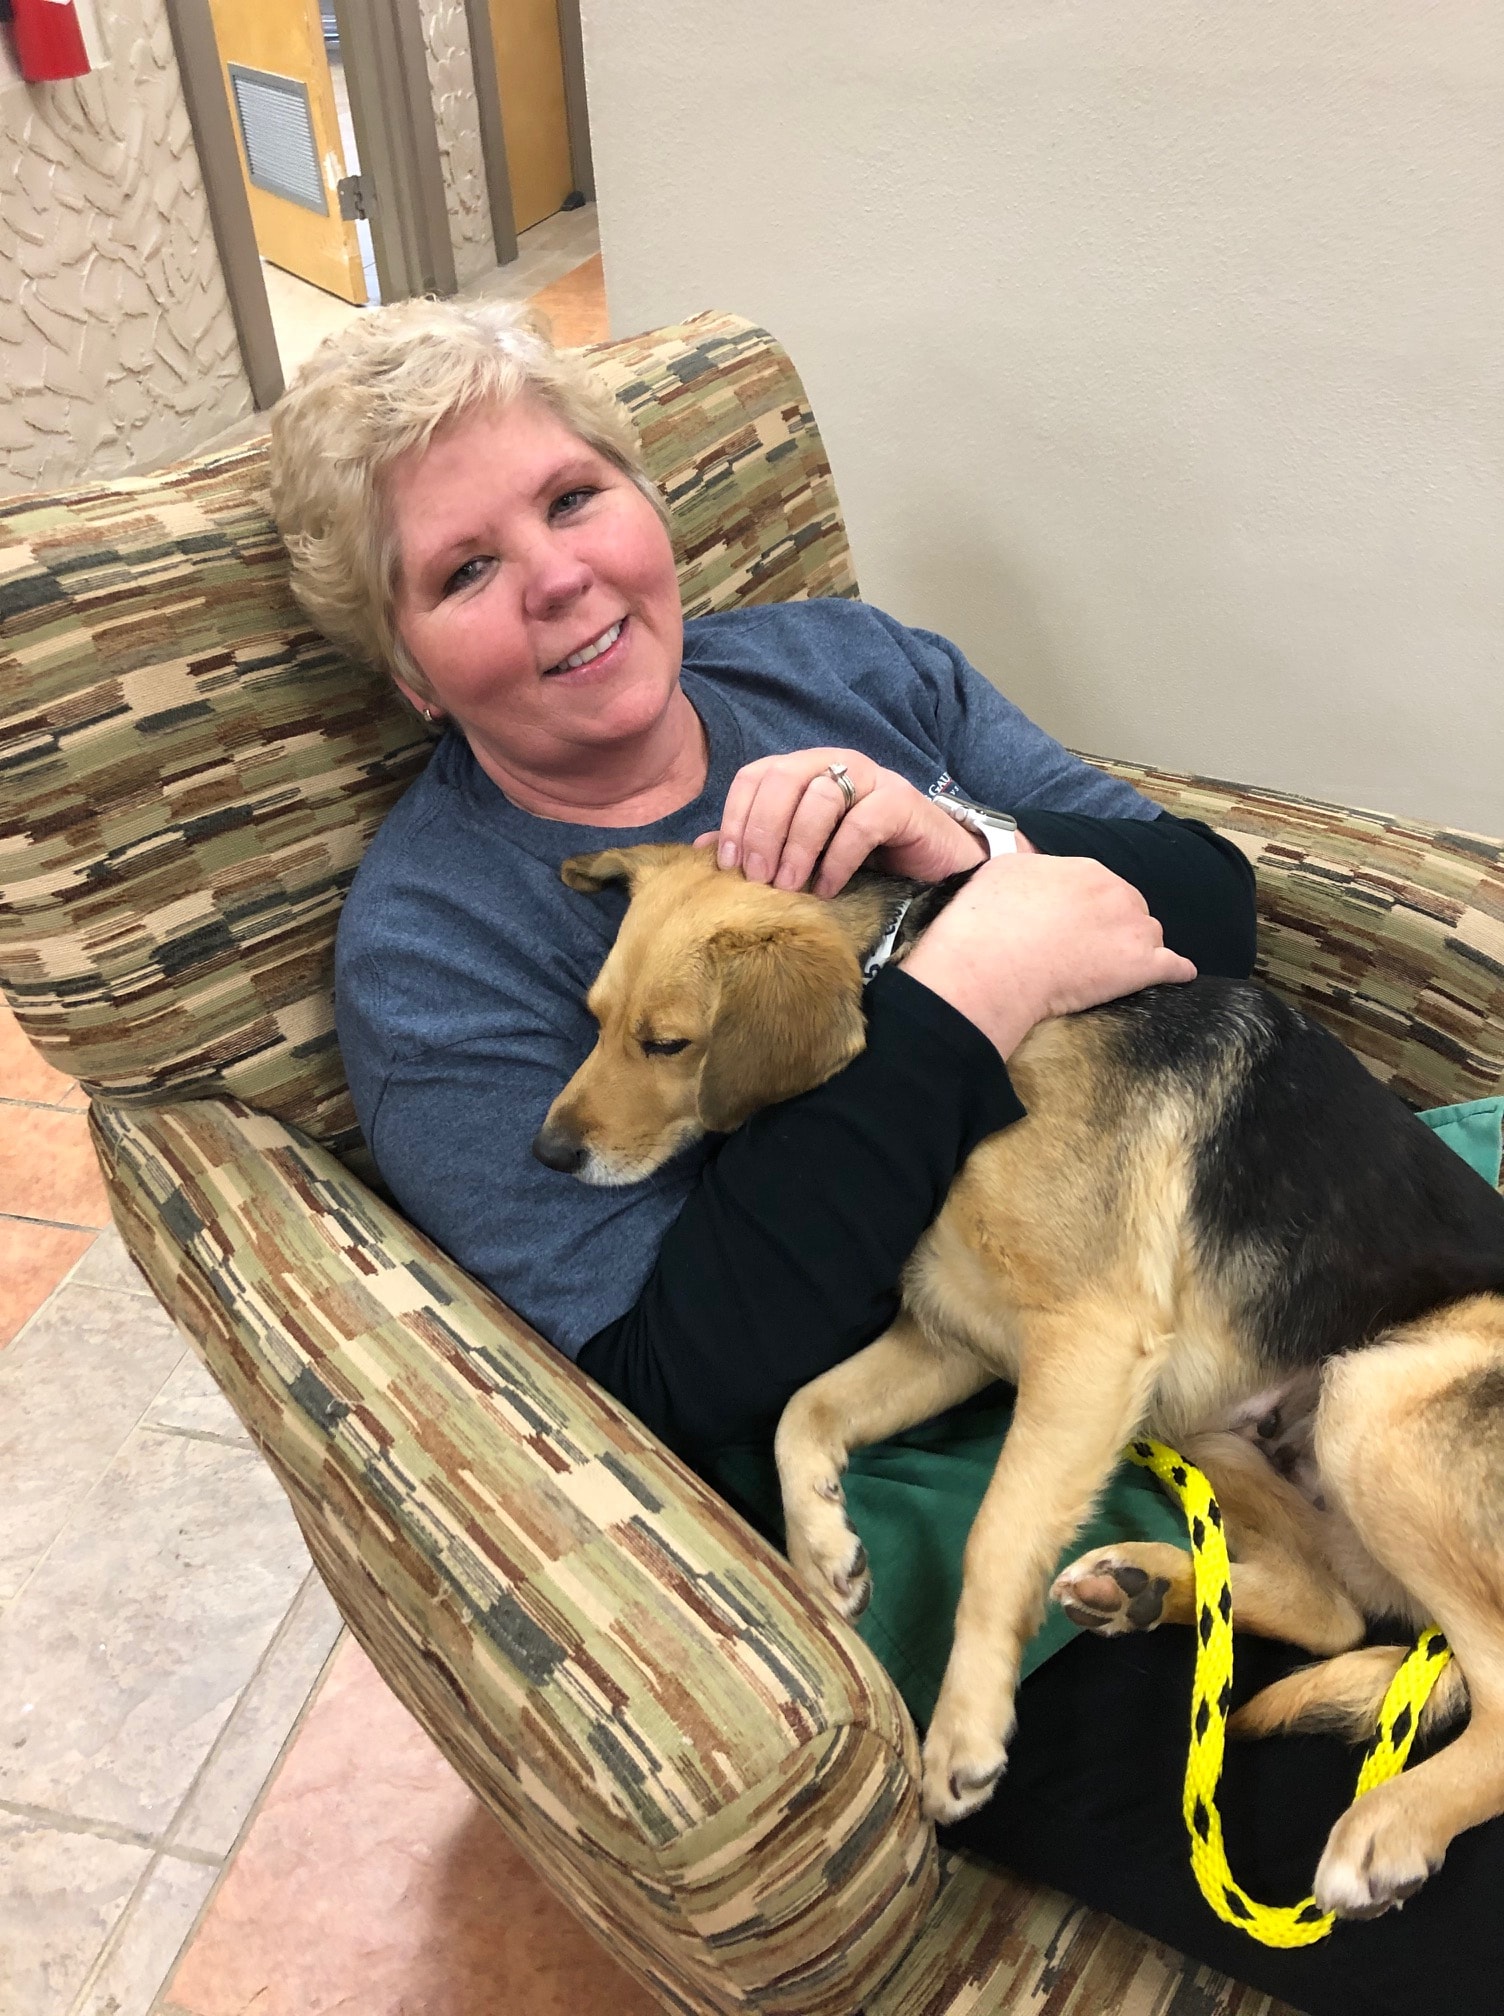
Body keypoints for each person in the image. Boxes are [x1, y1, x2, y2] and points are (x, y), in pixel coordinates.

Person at [268, 298, 1492, 2015]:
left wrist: (968, 845)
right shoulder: (436, 946)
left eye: (569, 498)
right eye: (459, 571)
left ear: (644, 506)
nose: (555, 576)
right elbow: (662, 1371)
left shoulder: (843, 666)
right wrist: (965, 987)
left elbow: (1206, 910)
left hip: (1235, 1327)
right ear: (406, 670)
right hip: (996, 1496)